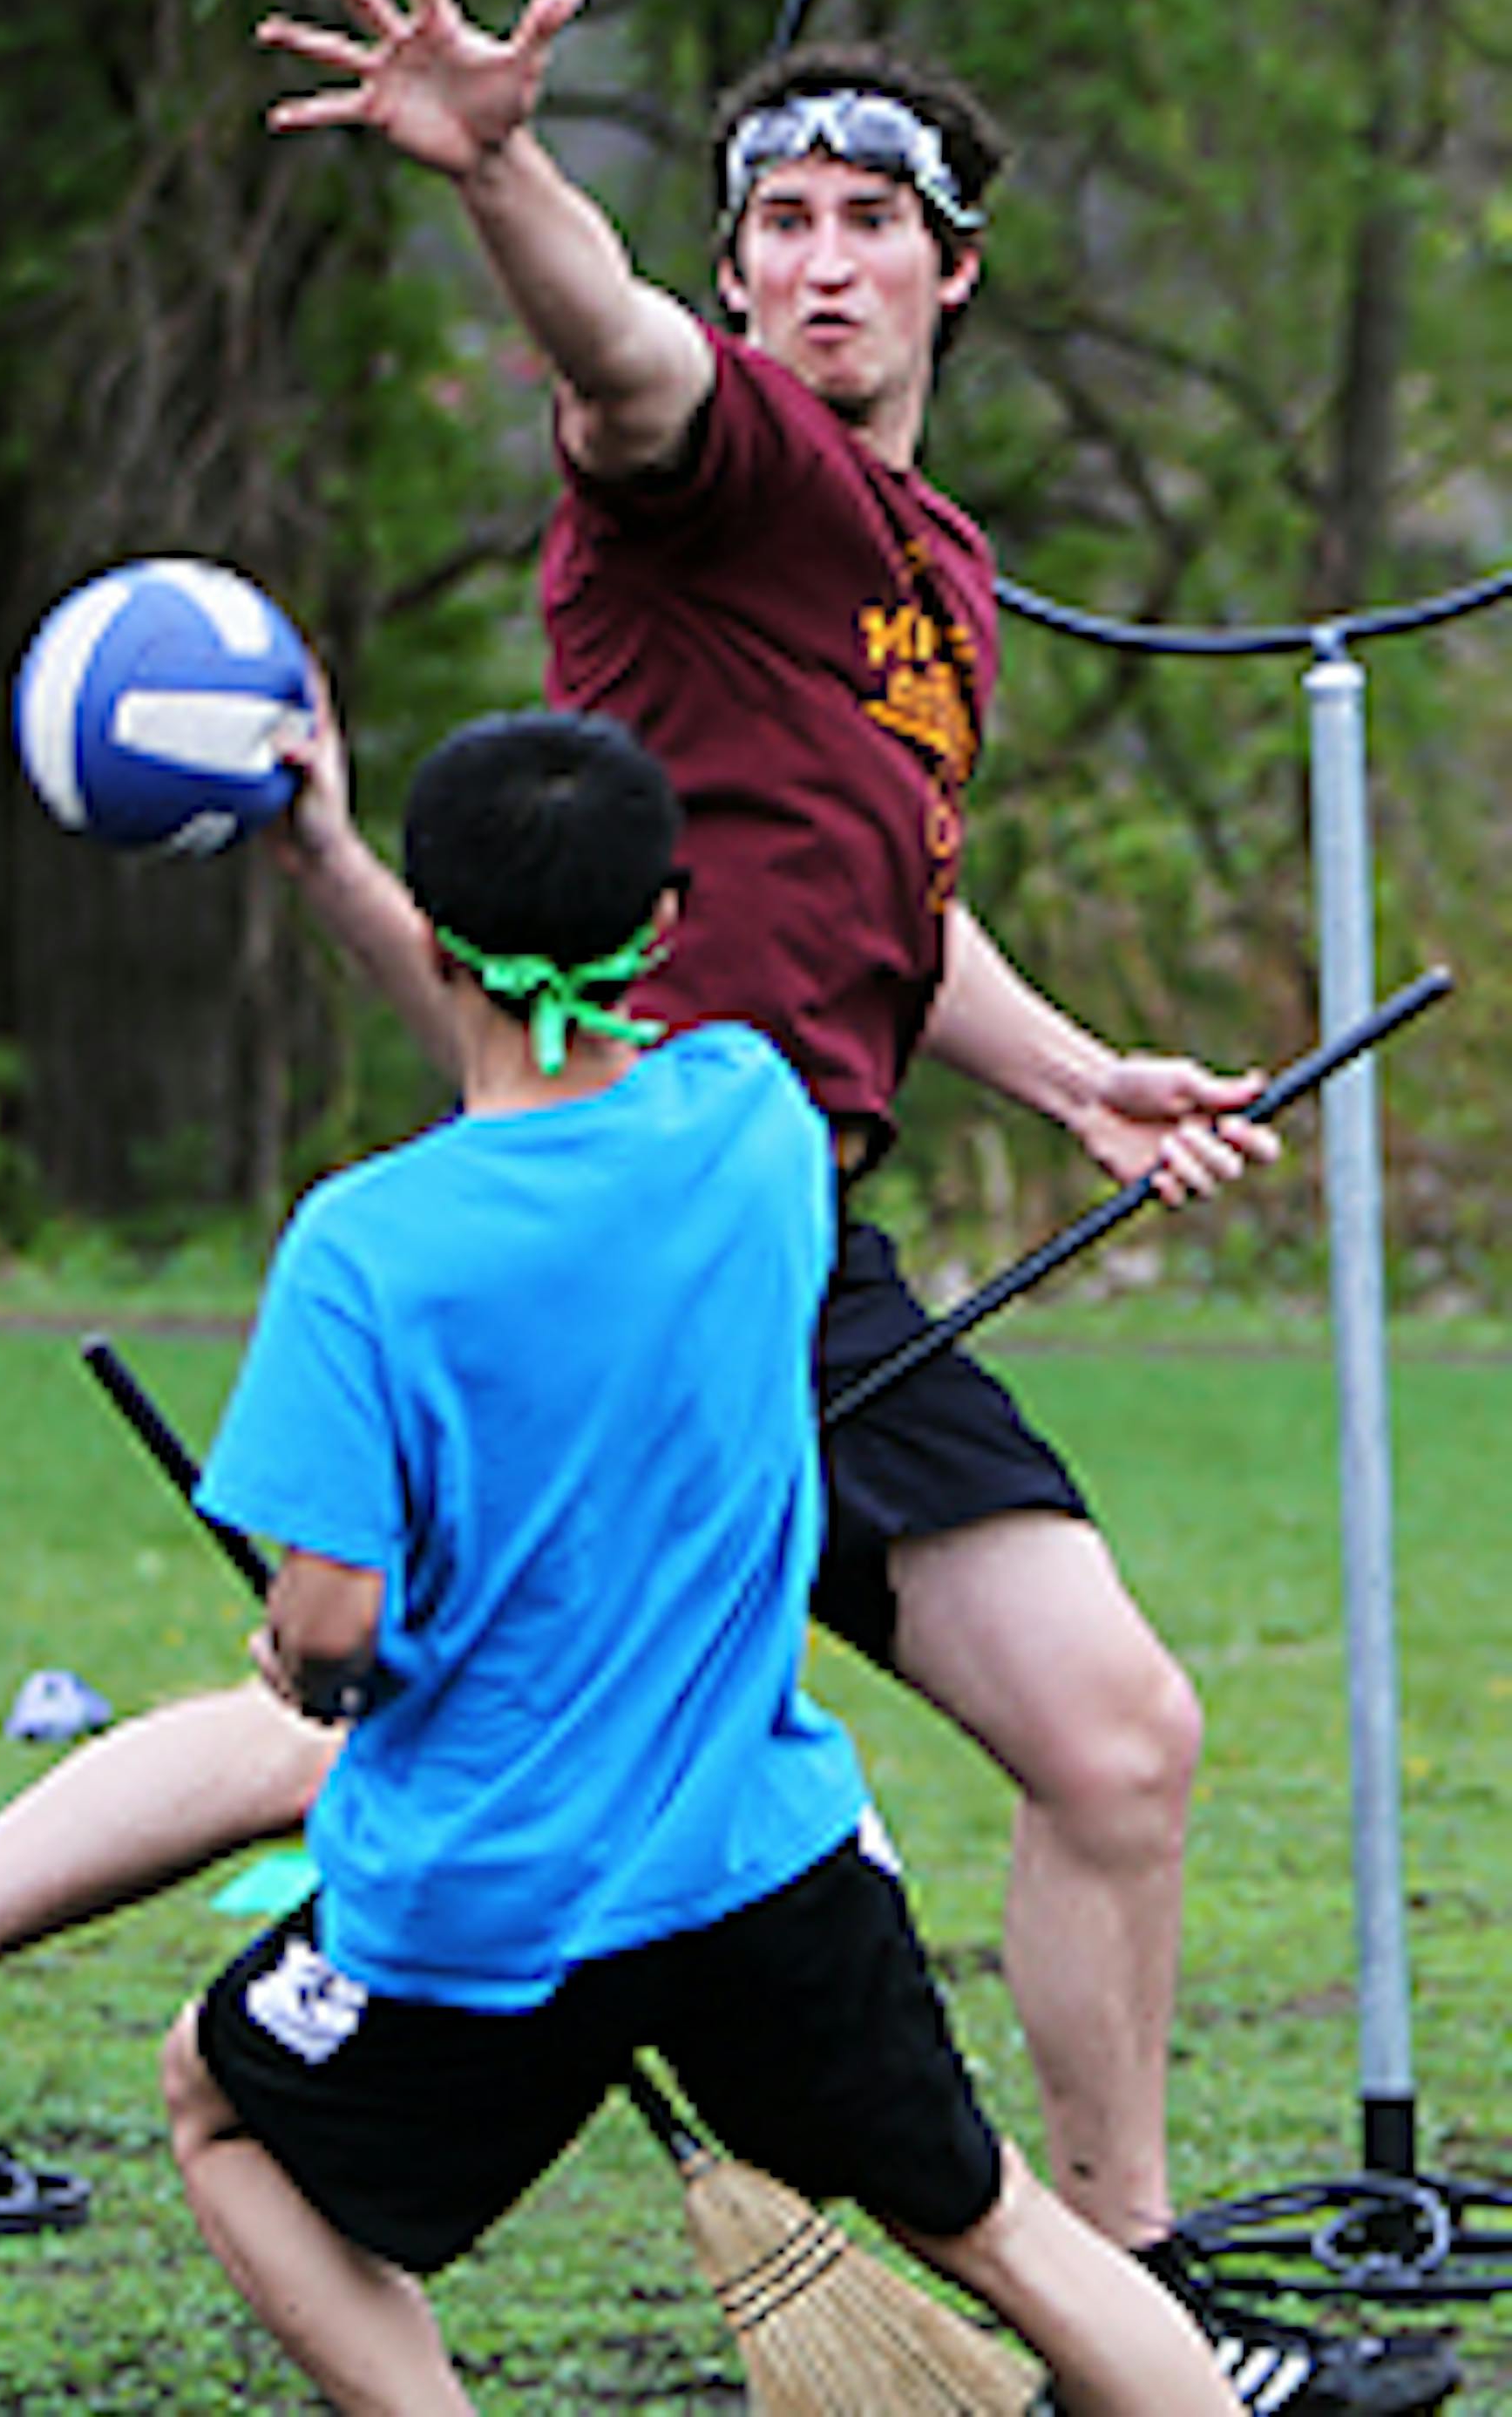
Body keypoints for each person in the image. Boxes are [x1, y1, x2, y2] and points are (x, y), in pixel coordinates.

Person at [0, 0, 1457, 2417]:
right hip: (641, 1220)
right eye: (773, 223)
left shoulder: (932, 578)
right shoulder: (727, 465)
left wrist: (1072, 1076)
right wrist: (499, 183)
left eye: (863, 220)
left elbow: (881, 902)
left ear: (957, 266)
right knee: (384, 1725)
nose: (813, 260)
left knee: (1089, 1738)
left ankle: (1125, 2311)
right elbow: (617, 360)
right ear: (734, 276)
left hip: (782, 1221)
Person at [160, 704, 1238, 2417]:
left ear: (436, 940)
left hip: (479, 1907)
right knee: (1012, 2236)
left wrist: (305, 1666)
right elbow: (582, 1134)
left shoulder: (364, 1251)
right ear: (662, 924)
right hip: (767, 1869)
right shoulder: (752, 1122)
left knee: (215, 2104)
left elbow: (338, 1625)